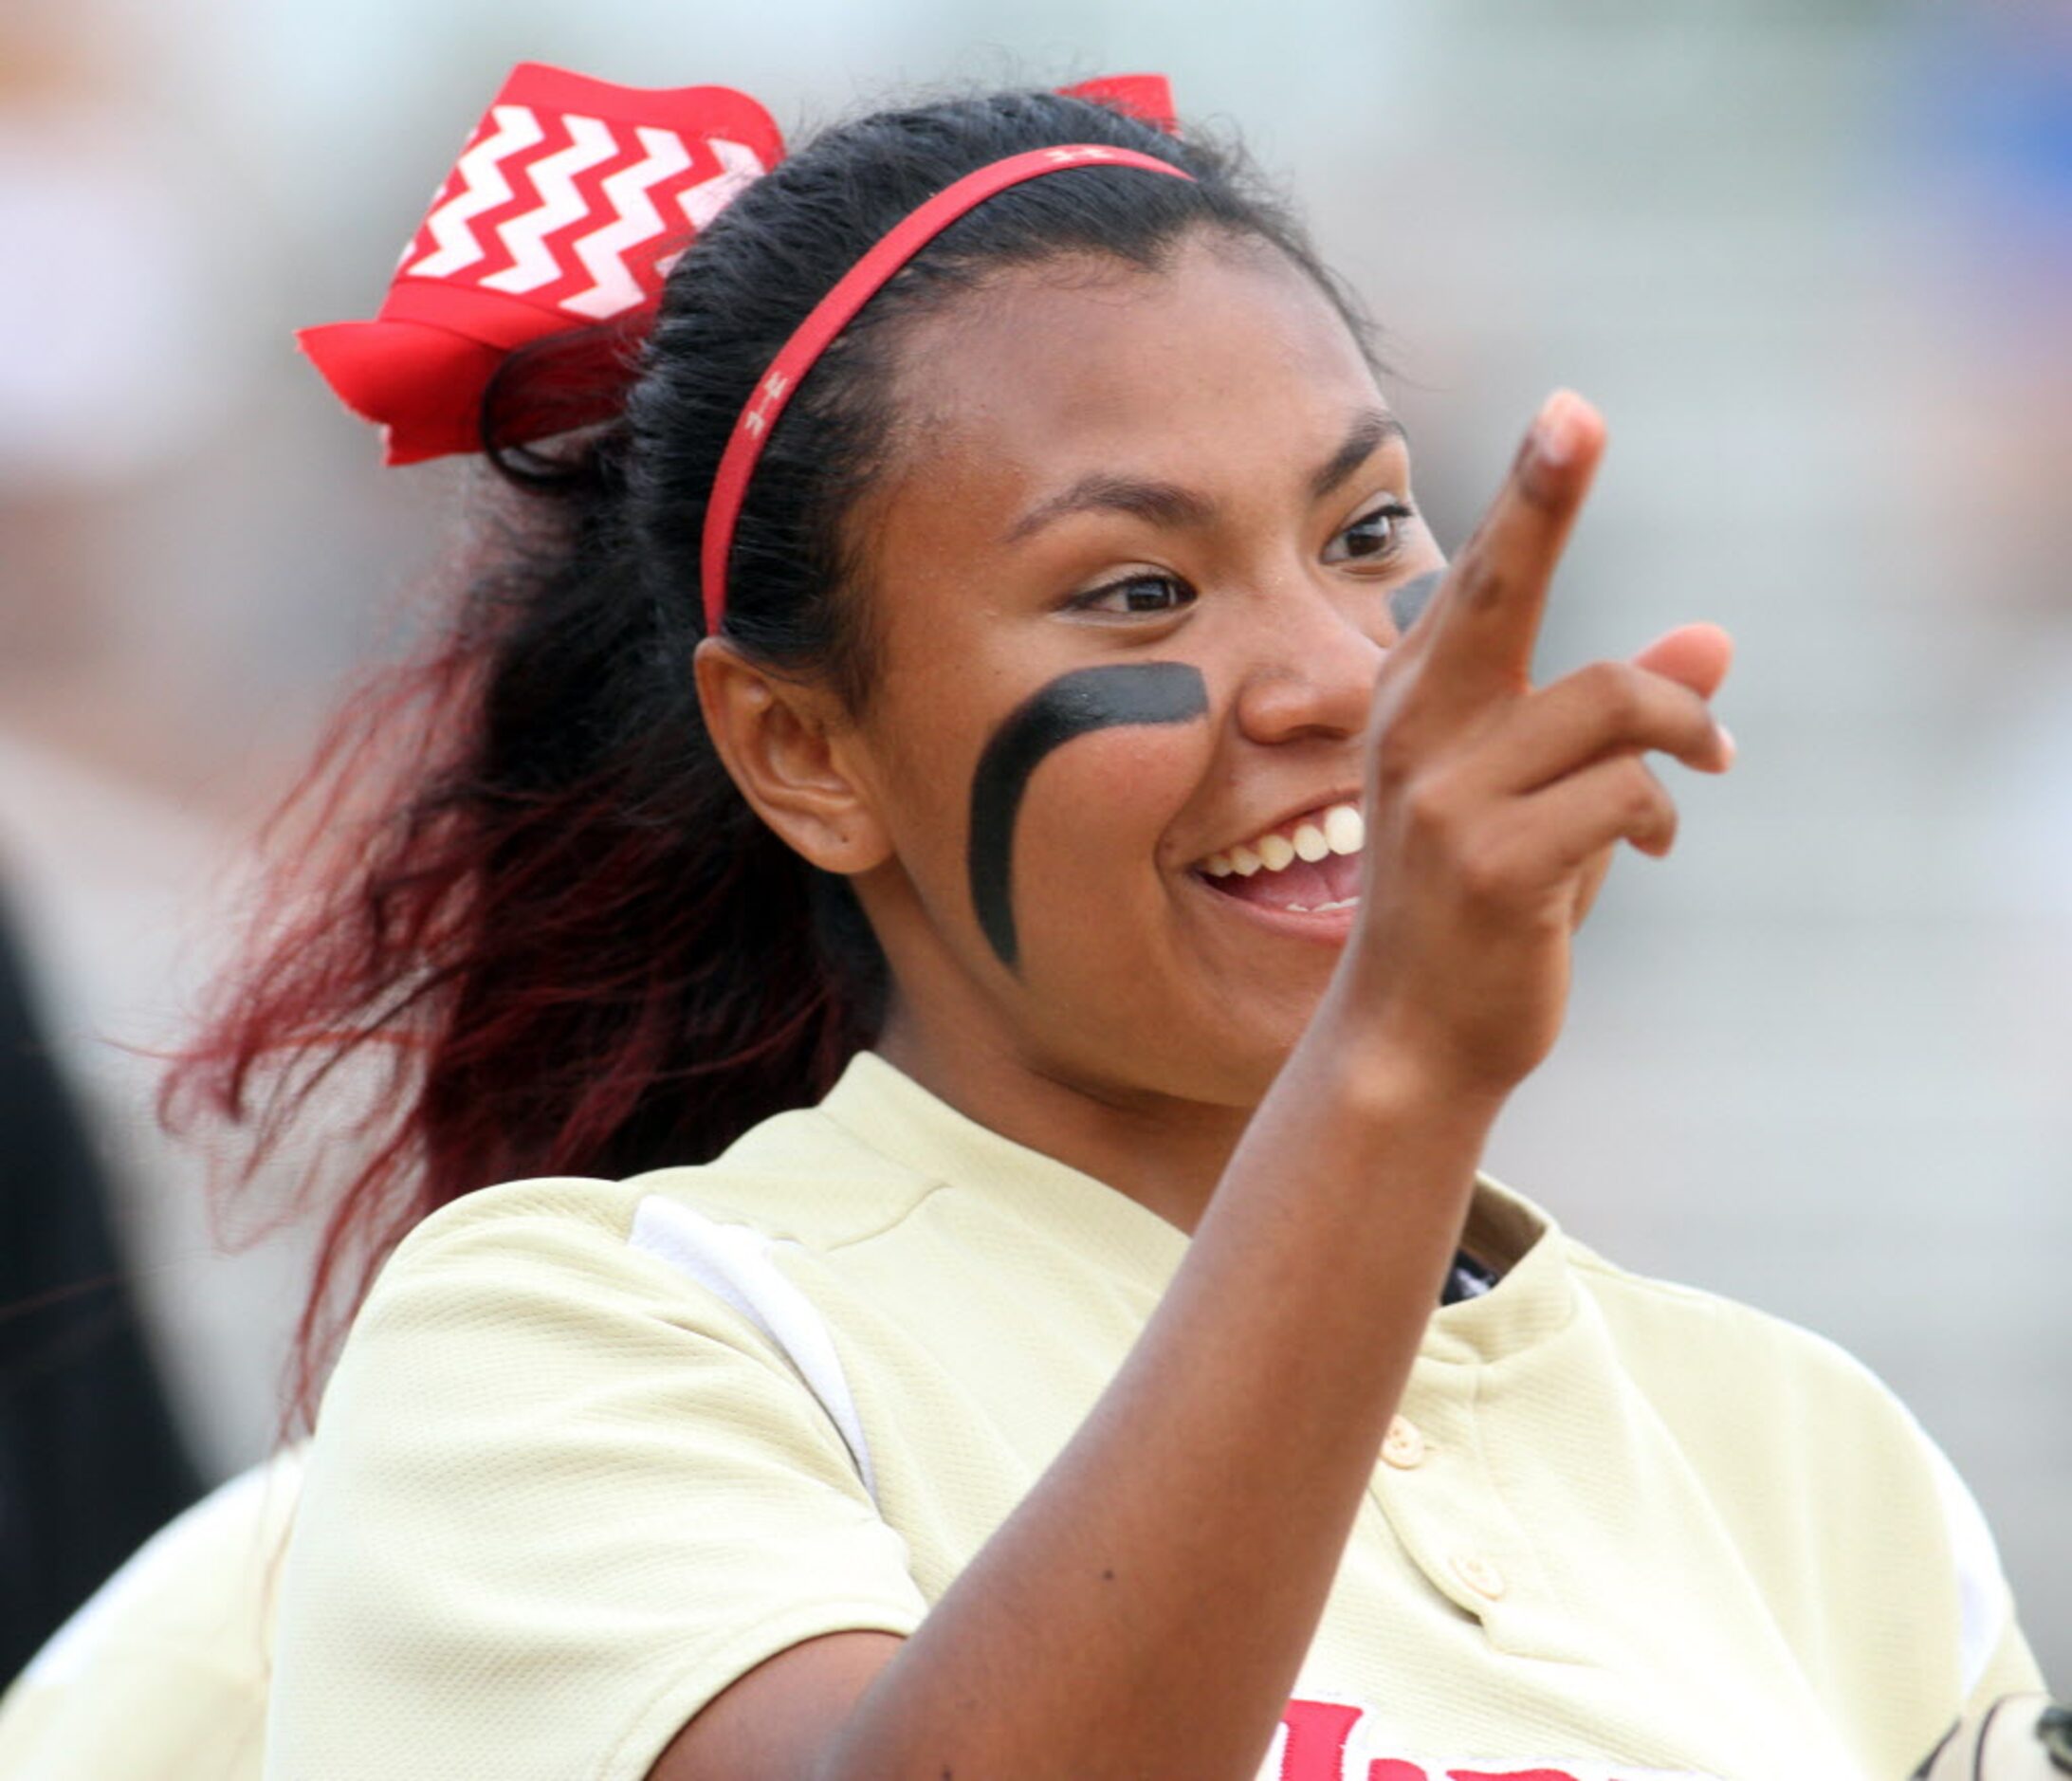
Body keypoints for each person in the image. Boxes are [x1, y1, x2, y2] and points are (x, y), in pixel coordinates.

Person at [0, 63, 2057, 1781]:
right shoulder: (584, 1351)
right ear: (803, 749)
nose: (1333, 675)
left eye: (1364, 531)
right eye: (1136, 592)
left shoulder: (1808, 1458)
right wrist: (1397, 1073)